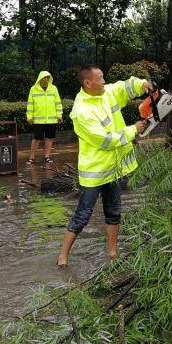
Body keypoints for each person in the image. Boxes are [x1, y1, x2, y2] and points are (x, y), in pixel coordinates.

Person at [57, 64, 153, 268]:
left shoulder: (106, 92)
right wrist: (133, 130)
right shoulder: (81, 111)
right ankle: (62, 257)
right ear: (87, 83)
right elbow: (106, 140)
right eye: (100, 78)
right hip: (94, 173)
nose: (104, 81)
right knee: (82, 216)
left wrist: (141, 84)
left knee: (114, 212)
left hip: (113, 169)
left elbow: (123, 87)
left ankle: (112, 253)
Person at [26, 71, 63, 165]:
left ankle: (47, 157)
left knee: (49, 138)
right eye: (44, 77)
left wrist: (59, 115)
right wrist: (29, 116)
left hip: (51, 119)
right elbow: (30, 104)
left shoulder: (53, 88)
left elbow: (58, 102)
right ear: (40, 78)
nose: (46, 79)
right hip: (38, 119)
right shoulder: (33, 89)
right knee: (36, 138)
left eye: (48, 77)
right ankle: (31, 157)